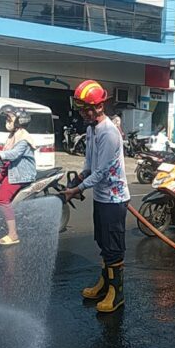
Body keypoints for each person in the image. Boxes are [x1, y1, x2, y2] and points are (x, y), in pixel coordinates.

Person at [63, 80, 131, 313]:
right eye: (80, 107)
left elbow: (102, 172)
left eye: (85, 108)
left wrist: (77, 190)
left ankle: (117, 293)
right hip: (102, 198)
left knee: (113, 247)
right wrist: (81, 176)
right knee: (103, 242)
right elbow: (91, 164)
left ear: (99, 107)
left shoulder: (110, 133)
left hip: (114, 198)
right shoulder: (92, 129)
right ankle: (105, 284)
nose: (82, 112)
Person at [0, 105, 38, 246]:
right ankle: (3, 219)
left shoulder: (24, 138)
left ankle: (13, 234)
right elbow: (5, 156)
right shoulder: (13, 135)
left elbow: (13, 154)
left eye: (9, 118)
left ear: (19, 121)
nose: (7, 121)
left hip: (20, 173)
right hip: (9, 169)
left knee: (2, 198)